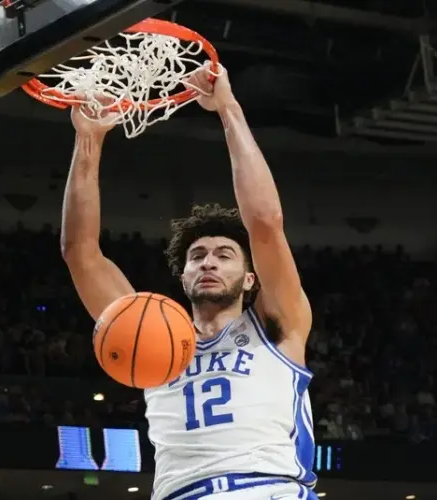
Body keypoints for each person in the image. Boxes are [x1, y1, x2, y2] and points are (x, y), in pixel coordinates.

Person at [61, 63, 316, 500]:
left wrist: (227, 108)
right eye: (197, 256)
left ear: (250, 277)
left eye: (224, 255)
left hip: (266, 489)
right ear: (183, 277)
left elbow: (266, 222)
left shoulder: (278, 325)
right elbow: (80, 253)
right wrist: (89, 138)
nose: (208, 263)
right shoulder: (150, 335)